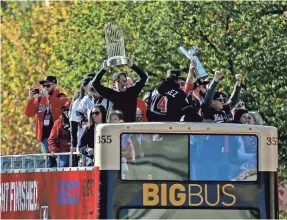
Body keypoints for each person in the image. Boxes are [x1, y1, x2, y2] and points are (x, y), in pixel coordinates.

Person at [24, 76, 70, 167]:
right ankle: (51, 180)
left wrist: (48, 97)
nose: (45, 88)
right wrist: (31, 99)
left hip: (58, 136)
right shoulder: (40, 99)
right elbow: (29, 113)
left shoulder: (61, 96)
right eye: (44, 86)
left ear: (55, 85)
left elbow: (63, 104)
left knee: (62, 162)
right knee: (50, 162)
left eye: (48, 86)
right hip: (45, 135)